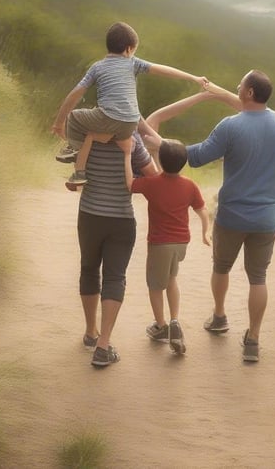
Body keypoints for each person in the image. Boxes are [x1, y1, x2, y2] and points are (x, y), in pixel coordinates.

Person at [186, 70, 275, 362]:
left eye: (240, 84)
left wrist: (164, 147)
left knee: (221, 267)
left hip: (231, 215)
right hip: (266, 219)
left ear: (250, 93)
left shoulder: (230, 126)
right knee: (258, 278)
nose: (237, 87)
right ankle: (253, 339)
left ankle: (219, 317)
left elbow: (197, 157)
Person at [51, 21, 208, 191]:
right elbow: (164, 70)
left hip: (110, 120)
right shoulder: (133, 63)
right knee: (127, 137)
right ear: (128, 49)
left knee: (74, 117)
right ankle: (145, 176)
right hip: (130, 125)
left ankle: (73, 151)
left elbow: (75, 94)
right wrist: (193, 78)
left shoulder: (97, 67)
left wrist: (59, 124)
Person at [75, 129, 158, 367]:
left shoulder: (87, 131)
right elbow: (153, 176)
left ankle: (91, 332)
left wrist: (90, 137)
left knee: (89, 269)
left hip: (90, 215)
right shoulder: (132, 137)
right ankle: (103, 344)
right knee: (115, 277)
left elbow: (76, 174)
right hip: (121, 218)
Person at [128, 138, 210, 355]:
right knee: (171, 279)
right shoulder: (189, 185)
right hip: (181, 243)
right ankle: (174, 320)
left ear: (162, 161)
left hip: (160, 243)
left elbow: (129, 184)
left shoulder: (152, 184)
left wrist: (127, 155)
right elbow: (202, 210)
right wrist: (205, 232)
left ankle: (161, 326)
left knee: (155, 286)